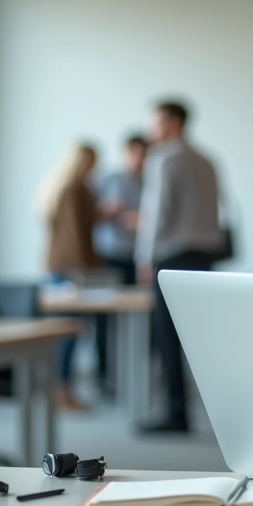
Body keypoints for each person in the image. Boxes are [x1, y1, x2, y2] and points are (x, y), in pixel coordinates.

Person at [135, 100, 221, 433]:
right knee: (201, 337)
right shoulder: (207, 160)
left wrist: (145, 257)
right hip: (205, 256)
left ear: (173, 122)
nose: (151, 128)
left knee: (168, 337)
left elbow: (157, 212)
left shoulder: (163, 158)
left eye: (156, 121)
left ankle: (176, 412)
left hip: (172, 256)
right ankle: (220, 412)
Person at [39, 142, 100, 411]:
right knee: (69, 332)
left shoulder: (59, 186)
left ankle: (61, 389)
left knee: (66, 331)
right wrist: (84, 270)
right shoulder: (73, 189)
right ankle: (61, 391)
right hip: (71, 269)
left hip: (60, 267)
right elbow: (74, 234)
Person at [91, 135, 147, 390]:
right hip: (109, 256)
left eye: (143, 155)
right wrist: (110, 212)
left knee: (135, 319)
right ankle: (103, 375)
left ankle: (131, 376)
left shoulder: (149, 182)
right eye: (134, 153)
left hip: (135, 257)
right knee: (105, 319)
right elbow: (91, 214)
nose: (138, 160)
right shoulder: (110, 180)